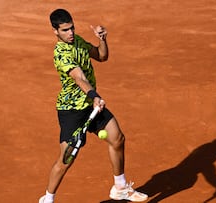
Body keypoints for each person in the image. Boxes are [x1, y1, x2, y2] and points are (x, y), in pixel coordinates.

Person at [39, 8, 148, 203]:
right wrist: (94, 95)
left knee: (117, 138)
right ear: (55, 31)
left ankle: (120, 188)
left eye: (71, 28)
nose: (70, 33)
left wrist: (102, 39)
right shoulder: (61, 54)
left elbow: (101, 56)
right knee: (66, 160)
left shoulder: (78, 41)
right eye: (65, 30)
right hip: (72, 111)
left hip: (92, 106)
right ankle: (47, 199)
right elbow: (79, 77)